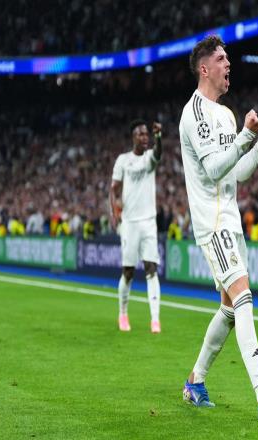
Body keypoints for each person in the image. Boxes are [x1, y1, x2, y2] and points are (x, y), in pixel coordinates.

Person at [179, 35, 258, 421]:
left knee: (229, 308)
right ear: (204, 68)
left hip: (231, 218)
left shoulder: (226, 114)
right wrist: (245, 136)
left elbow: (236, 172)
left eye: (228, 59)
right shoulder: (194, 113)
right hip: (212, 223)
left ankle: (195, 381)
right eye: (222, 59)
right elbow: (212, 169)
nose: (229, 64)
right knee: (243, 294)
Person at [110, 119, 163, 334]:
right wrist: (114, 212)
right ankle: (123, 313)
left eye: (146, 134)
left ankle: (155, 319)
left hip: (149, 221)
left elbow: (158, 153)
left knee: (151, 269)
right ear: (133, 137)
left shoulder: (150, 157)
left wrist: (159, 137)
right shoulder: (123, 160)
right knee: (128, 272)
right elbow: (114, 189)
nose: (144, 137)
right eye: (140, 134)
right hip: (130, 223)